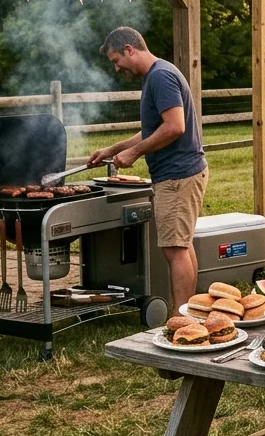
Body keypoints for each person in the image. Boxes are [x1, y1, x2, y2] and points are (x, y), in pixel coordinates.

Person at [88, 27, 207, 310]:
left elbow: (175, 127)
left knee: (174, 250)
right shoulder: (158, 75)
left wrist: (135, 153)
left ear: (130, 49)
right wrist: (114, 150)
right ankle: (188, 313)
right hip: (179, 173)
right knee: (181, 245)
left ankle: (181, 318)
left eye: (116, 60)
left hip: (177, 175)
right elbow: (153, 130)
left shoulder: (160, 77)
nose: (116, 68)